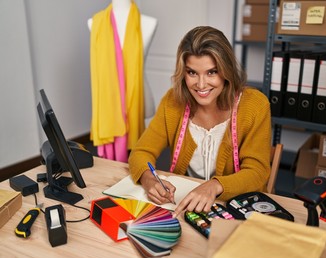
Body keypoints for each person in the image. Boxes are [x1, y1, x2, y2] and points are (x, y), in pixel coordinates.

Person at [128, 26, 272, 218]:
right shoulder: (173, 101)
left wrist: (214, 186)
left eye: (212, 72)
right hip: (187, 207)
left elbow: (257, 172)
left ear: (226, 71)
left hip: (237, 208)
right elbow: (141, 152)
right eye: (192, 73)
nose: (201, 84)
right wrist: (148, 180)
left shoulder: (255, 105)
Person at [89, 0, 158, 162]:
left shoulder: (147, 22)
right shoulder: (95, 23)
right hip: (109, 104)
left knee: (138, 158)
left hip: (139, 98)